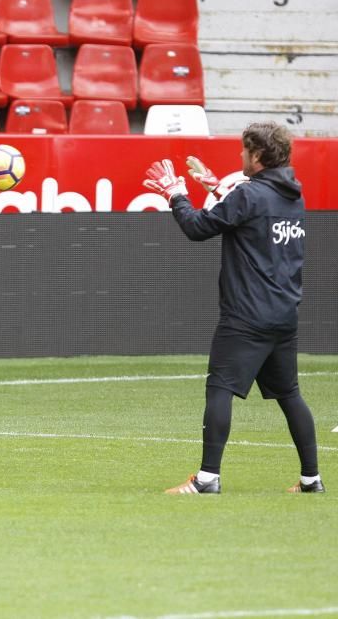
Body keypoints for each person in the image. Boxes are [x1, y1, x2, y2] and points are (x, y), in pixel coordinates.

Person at [143, 122, 324, 494]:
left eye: (244, 151)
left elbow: (197, 228)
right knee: (289, 394)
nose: (240, 156)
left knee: (220, 389)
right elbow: (250, 210)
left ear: (257, 156)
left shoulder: (250, 196)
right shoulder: (292, 195)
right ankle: (311, 480)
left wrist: (176, 194)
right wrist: (216, 187)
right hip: (283, 315)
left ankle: (207, 479)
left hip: (246, 315)